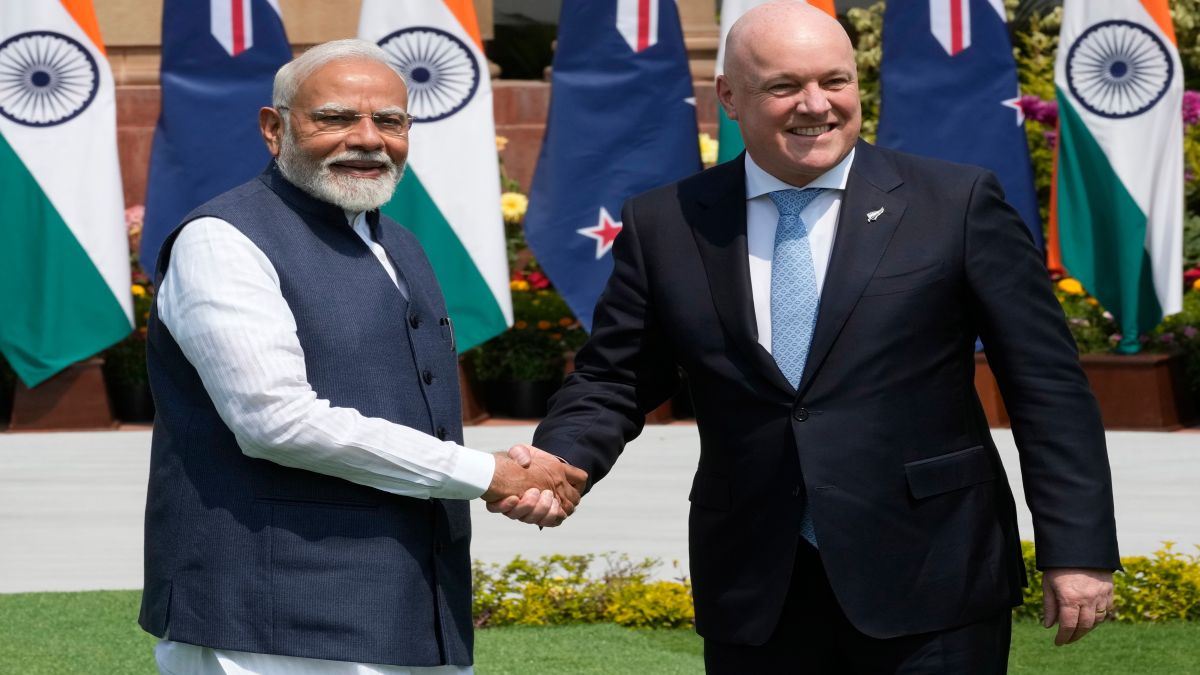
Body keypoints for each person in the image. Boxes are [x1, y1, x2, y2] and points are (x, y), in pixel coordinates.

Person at [501, 3, 1120, 672]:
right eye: (784, 86)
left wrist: (1078, 546)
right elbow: (615, 377)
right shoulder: (666, 224)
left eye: (836, 80)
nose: (816, 105)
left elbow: (1046, 385)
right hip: (755, 585)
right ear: (730, 98)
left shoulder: (957, 204)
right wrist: (562, 457)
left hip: (934, 576)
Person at [137, 39, 585, 674]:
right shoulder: (222, 242)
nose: (369, 138)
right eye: (336, 118)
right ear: (274, 128)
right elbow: (276, 421)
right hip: (270, 619)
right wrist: (490, 475)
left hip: (410, 606)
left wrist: (512, 474)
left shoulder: (397, 243)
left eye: (391, 121)